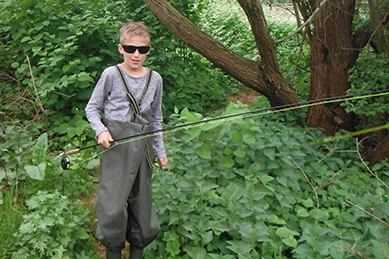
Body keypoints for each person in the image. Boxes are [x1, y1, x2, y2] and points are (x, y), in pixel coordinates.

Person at [85, 21, 168, 259]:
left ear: (149, 50)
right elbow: (92, 108)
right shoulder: (111, 74)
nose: (136, 54)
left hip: (143, 150)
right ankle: (113, 250)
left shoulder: (156, 79)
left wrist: (160, 151)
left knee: (142, 203)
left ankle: (138, 251)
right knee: (112, 204)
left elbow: (157, 117)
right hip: (116, 147)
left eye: (143, 49)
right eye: (130, 48)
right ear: (121, 48)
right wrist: (101, 130)